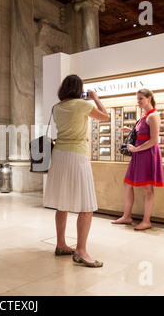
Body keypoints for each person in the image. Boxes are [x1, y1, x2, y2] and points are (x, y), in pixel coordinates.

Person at [44, 74, 108, 268]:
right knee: (87, 206)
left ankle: (61, 244)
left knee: (62, 204)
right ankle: (81, 251)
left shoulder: (57, 107)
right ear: (78, 89)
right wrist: (95, 98)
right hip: (77, 155)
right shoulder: (82, 105)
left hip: (59, 156)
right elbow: (105, 116)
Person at [112, 89, 164, 231]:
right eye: (137, 99)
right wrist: (130, 130)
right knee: (127, 183)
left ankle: (146, 221)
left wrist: (136, 149)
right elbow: (143, 133)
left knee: (148, 187)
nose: (138, 101)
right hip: (139, 153)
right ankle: (127, 216)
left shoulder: (153, 115)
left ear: (149, 98)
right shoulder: (144, 116)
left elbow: (154, 140)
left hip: (147, 154)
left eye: (141, 98)